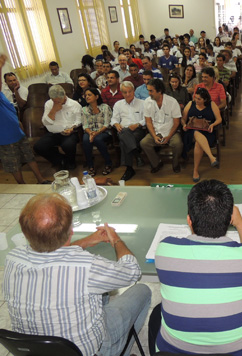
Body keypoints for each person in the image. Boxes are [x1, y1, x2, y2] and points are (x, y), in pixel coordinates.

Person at [148, 179, 242, 355]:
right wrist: (240, 223)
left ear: (189, 220)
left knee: (157, 314)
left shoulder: (165, 251)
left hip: (174, 352)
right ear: (229, 220)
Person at [4, 193, 151, 356]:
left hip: (36, 350)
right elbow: (132, 271)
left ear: (26, 233)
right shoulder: (86, 266)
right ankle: (119, 351)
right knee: (143, 291)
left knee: (100, 293)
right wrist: (116, 239)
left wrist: (87, 241)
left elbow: (51, 253)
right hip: (92, 352)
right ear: (71, 231)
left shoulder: (12, 258)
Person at [0, 54, 49, 184]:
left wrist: (19, 124)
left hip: (17, 131)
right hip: (5, 137)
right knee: (13, 163)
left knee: (29, 156)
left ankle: (41, 179)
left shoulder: (3, 94)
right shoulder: (2, 90)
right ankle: (22, 186)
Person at [140, 78, 183, 174]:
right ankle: (156, 163)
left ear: (159, 91)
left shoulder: (172, 102)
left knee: (177, 144)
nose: (149, 93)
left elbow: (176, 122)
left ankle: (175, 163)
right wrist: (154, 136)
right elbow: (148, 121)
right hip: (156, 131)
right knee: (144, 143)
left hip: (170, 131)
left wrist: (168, 136)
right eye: (148, 90)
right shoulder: (147, 102)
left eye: (151, 91)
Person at [34, 85, 82, 170]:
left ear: (64, 95)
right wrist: (53, 110)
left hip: (69, 132)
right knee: (38, 146)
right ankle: (60, 160)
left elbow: (79, 120)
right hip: (54, 132)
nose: (57, 103)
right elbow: (45, 123)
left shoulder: (75, 104)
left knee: (68, 145)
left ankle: (71, 162)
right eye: (54, 101)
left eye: (59, 101)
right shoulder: (49, 103)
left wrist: (72, 127)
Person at [182, 87, 222, 182]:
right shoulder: (190, 104)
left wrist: (213, 124)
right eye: (195, 97)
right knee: (196, 133)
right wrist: (184, 124)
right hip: (191, 131)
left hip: (207, 131)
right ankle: (211, 157)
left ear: (205, 99)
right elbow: (183, 118)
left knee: (198, 144)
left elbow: (219, 119)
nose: (196, 100)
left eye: (199, 99)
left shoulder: (211, 104)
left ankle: (195, 170)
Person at [111, 81, 146, 181]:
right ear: (121, 93)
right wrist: (116, 124)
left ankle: (129, 169)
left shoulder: (142, 103)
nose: (128, 94)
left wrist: (138, 124)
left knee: (123, 141)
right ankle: (136, 154)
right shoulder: (118, 104)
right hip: (123, 130)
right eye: (125, 92)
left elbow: (146, 119)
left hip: (138, 130)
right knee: (124, 133)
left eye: (129, 91)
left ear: (134, 91)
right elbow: (114, 119)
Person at [81, 87, 113, 176]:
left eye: (89, 95)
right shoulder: (84, 109)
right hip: (90, 132)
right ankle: (90, 166)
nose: (87, 97)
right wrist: (91, 133)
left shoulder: (105, 107)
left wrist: (96, 133)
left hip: (104, 132)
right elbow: (85, 125)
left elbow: (107, 124)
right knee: (85, 140)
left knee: (98, 139)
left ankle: (108, 163)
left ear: (96, 96)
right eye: (86, 95)